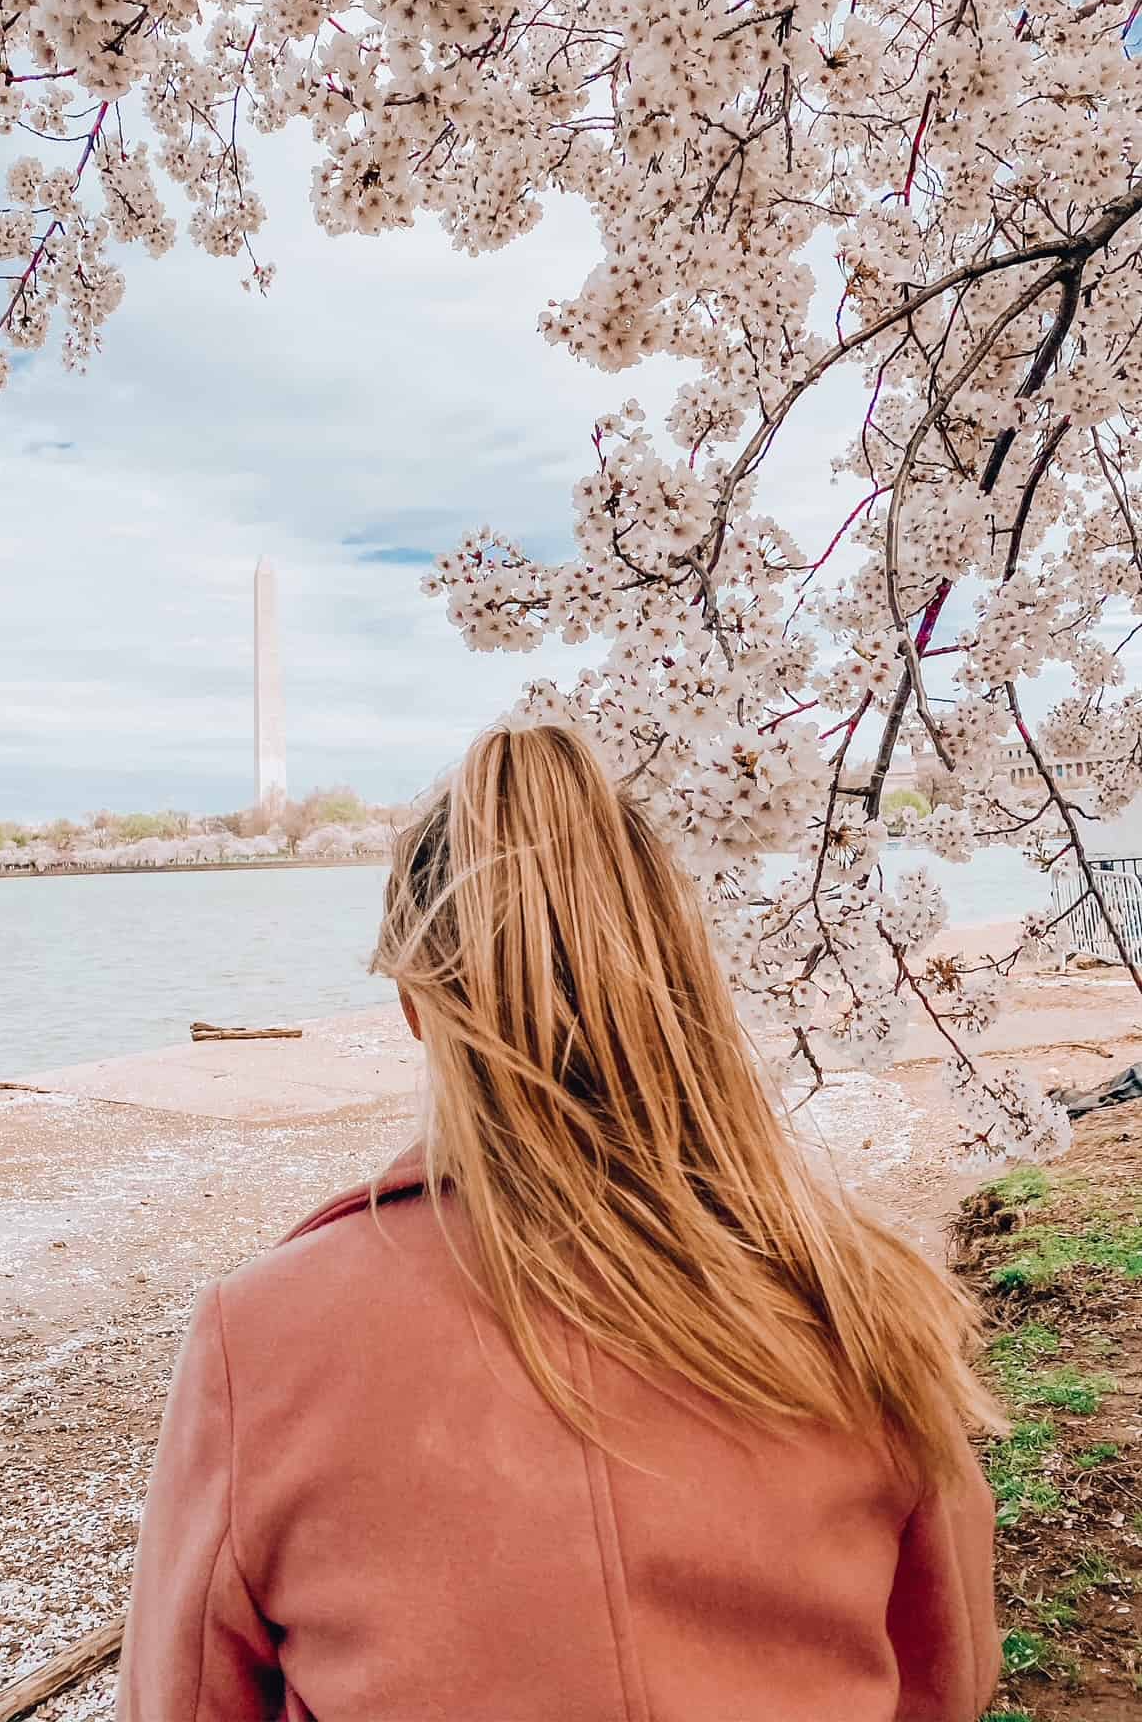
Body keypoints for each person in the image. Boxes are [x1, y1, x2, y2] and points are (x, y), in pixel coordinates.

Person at [116, 722, 1001, 1722]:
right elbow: (945, 1676)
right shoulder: (855, 1297)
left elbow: (185, 1700)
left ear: (418, 1003)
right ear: (677, 968)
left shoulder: (260, 1338)